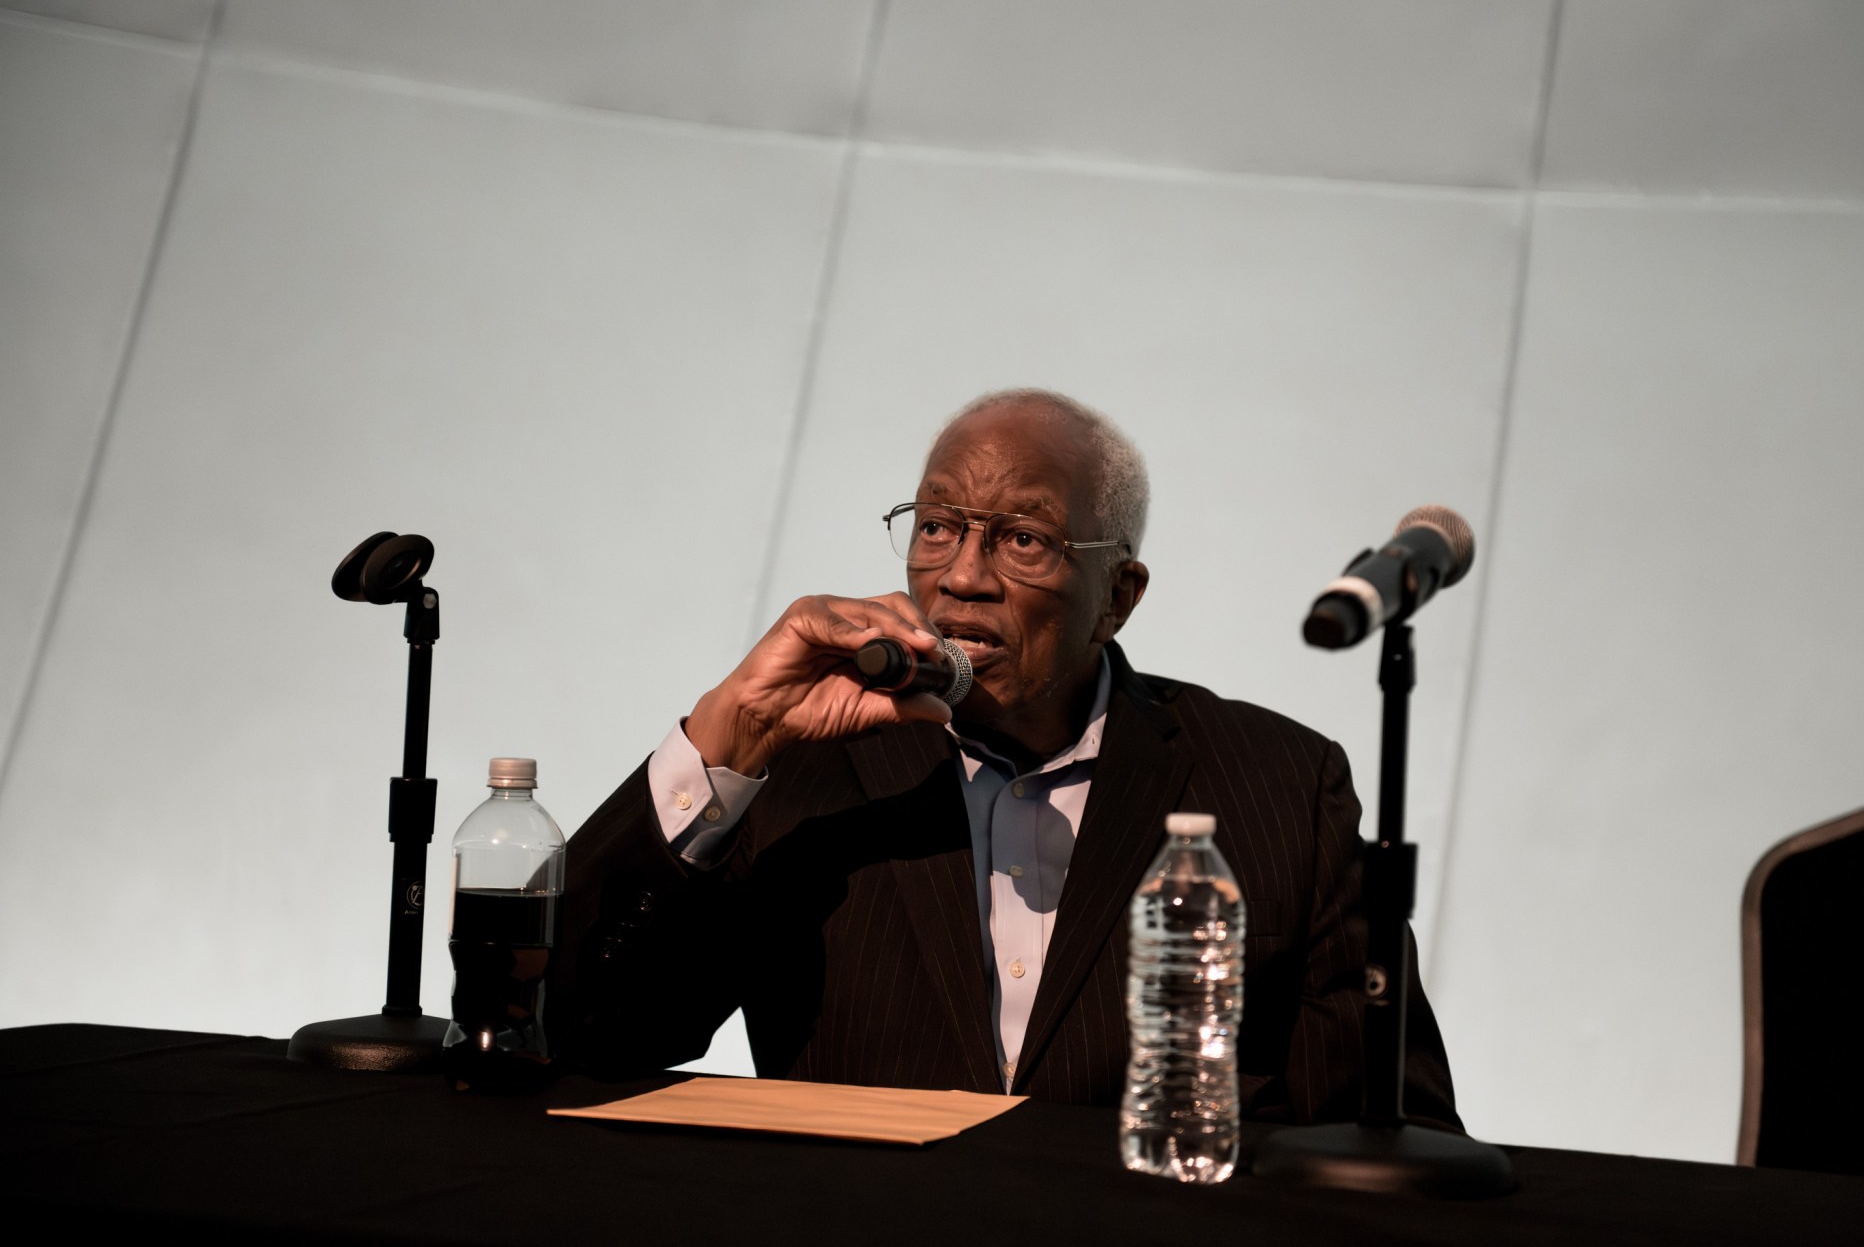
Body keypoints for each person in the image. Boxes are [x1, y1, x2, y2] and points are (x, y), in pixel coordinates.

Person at [549, 388, 1460, 1128]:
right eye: (937, 526)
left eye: (1023, 539)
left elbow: (1384, 1139)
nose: (963, 576)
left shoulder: (1280, 785)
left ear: (1118, 597)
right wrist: (726, 737)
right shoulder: (801, 775)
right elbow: (564, 1028)